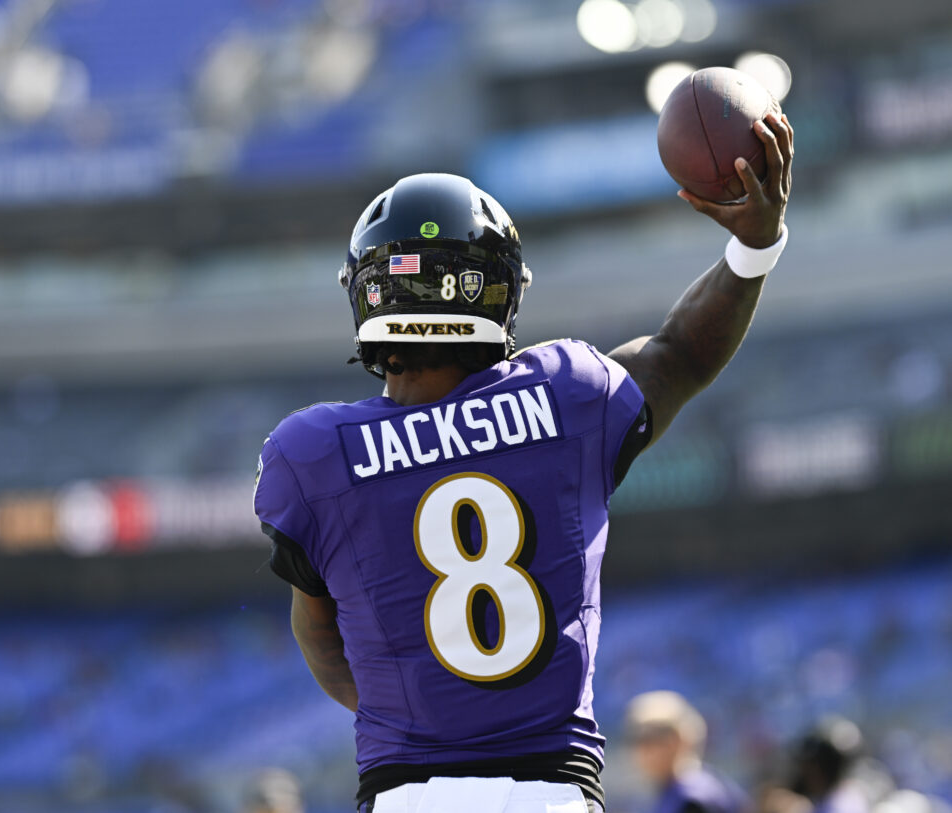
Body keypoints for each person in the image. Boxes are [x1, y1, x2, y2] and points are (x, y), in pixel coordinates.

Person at [253, 114, 794, 813]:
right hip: (552, 794)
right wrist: (754, 246)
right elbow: (679, 353)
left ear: (366, 293)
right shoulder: (567, 397)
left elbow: (317, 629)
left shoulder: (313, 452)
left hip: (411, 795)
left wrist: (417, 711)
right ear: (501, 292)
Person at [624, 691, 749, 813]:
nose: (641, 751)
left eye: (649, 740)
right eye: (636, 741)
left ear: (675, 740)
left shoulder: (694, 798)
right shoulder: (680, 788)